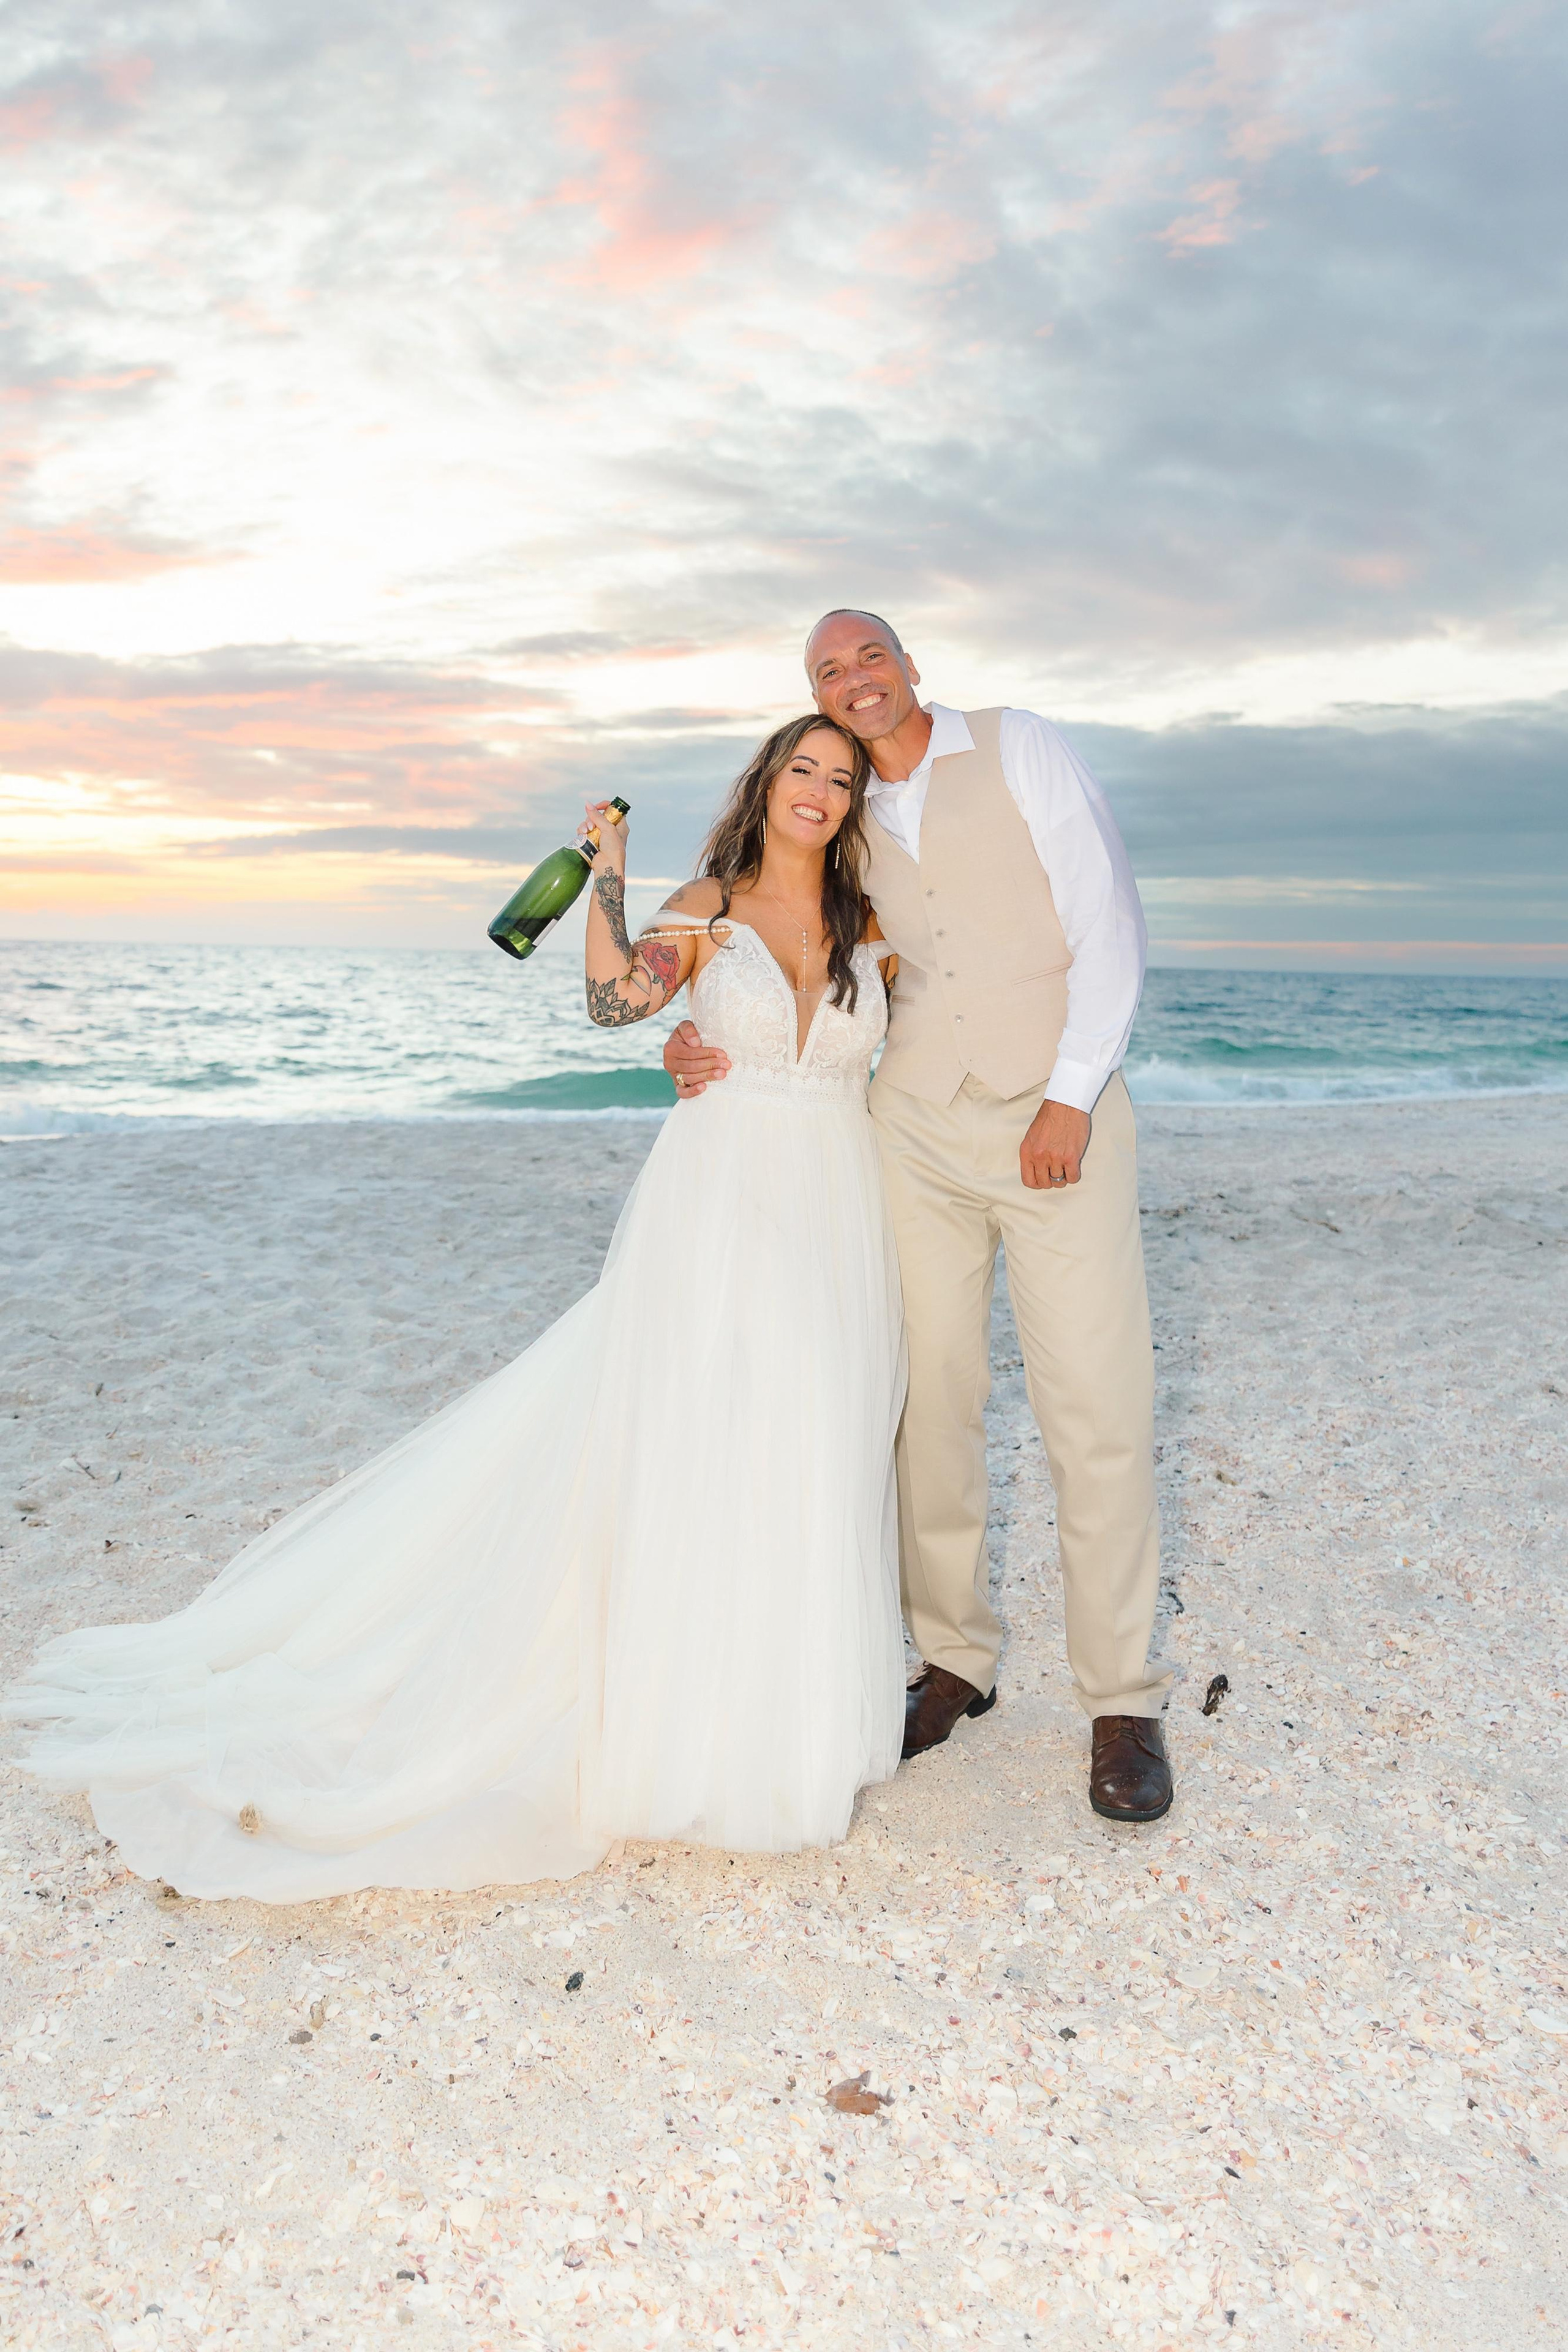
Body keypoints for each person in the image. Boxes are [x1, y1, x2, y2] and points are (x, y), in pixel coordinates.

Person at [4, 715, 907, 1898]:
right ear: (768, 781)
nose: (820, 791)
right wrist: (606, 878)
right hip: (720, 1196)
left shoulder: (869, 926)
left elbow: (909, 1063)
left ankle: (786, 1725)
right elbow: (615, 1005)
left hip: (836, 1203)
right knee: (695, 1436)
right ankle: (680, 1730)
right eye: (803, 768)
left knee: (809, 1444)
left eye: (841, 778)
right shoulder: (711, 903)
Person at [665, 612, 1174, 1823]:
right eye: (828, 671)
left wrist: (1070, 1097)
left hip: (1056, 1121)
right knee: (925, 1403)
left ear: (907, 666)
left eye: (869, 657)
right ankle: (953, 1659)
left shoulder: (1018, 746)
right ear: (816, 697)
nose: (854, 679)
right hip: (913, 1130)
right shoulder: (841, 818)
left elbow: (1107, 926)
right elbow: (783, 948)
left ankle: (1121, 1699)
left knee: (1095, 1406)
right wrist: (694, 1037)